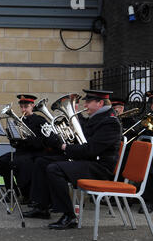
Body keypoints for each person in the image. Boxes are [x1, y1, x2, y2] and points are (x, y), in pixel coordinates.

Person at [23, 89, 122, 230]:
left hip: (99, 167)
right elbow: (81, 144)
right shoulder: (96, 118)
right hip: (88, 160)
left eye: (88, 102)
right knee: (41, 161)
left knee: (54, 169)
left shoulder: (109, 122)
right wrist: (56, 139)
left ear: (100, 103)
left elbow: (90, 150)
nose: (85, 105)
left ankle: (69, 216)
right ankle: (42, 207)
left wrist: (64, 146)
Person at [0, 95, 48, 205]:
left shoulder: (40, 120)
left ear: (32, 106)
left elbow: (42, 142)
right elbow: (16, 145)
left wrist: (26, 139)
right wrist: (13, 138)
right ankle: (12, 192)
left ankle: (27, 195)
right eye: (22, 107)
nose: (23, 110)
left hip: (35, 153)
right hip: (21, 152)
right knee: (3, 161)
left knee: (19, 163)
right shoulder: (18, 121)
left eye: (26, 107)